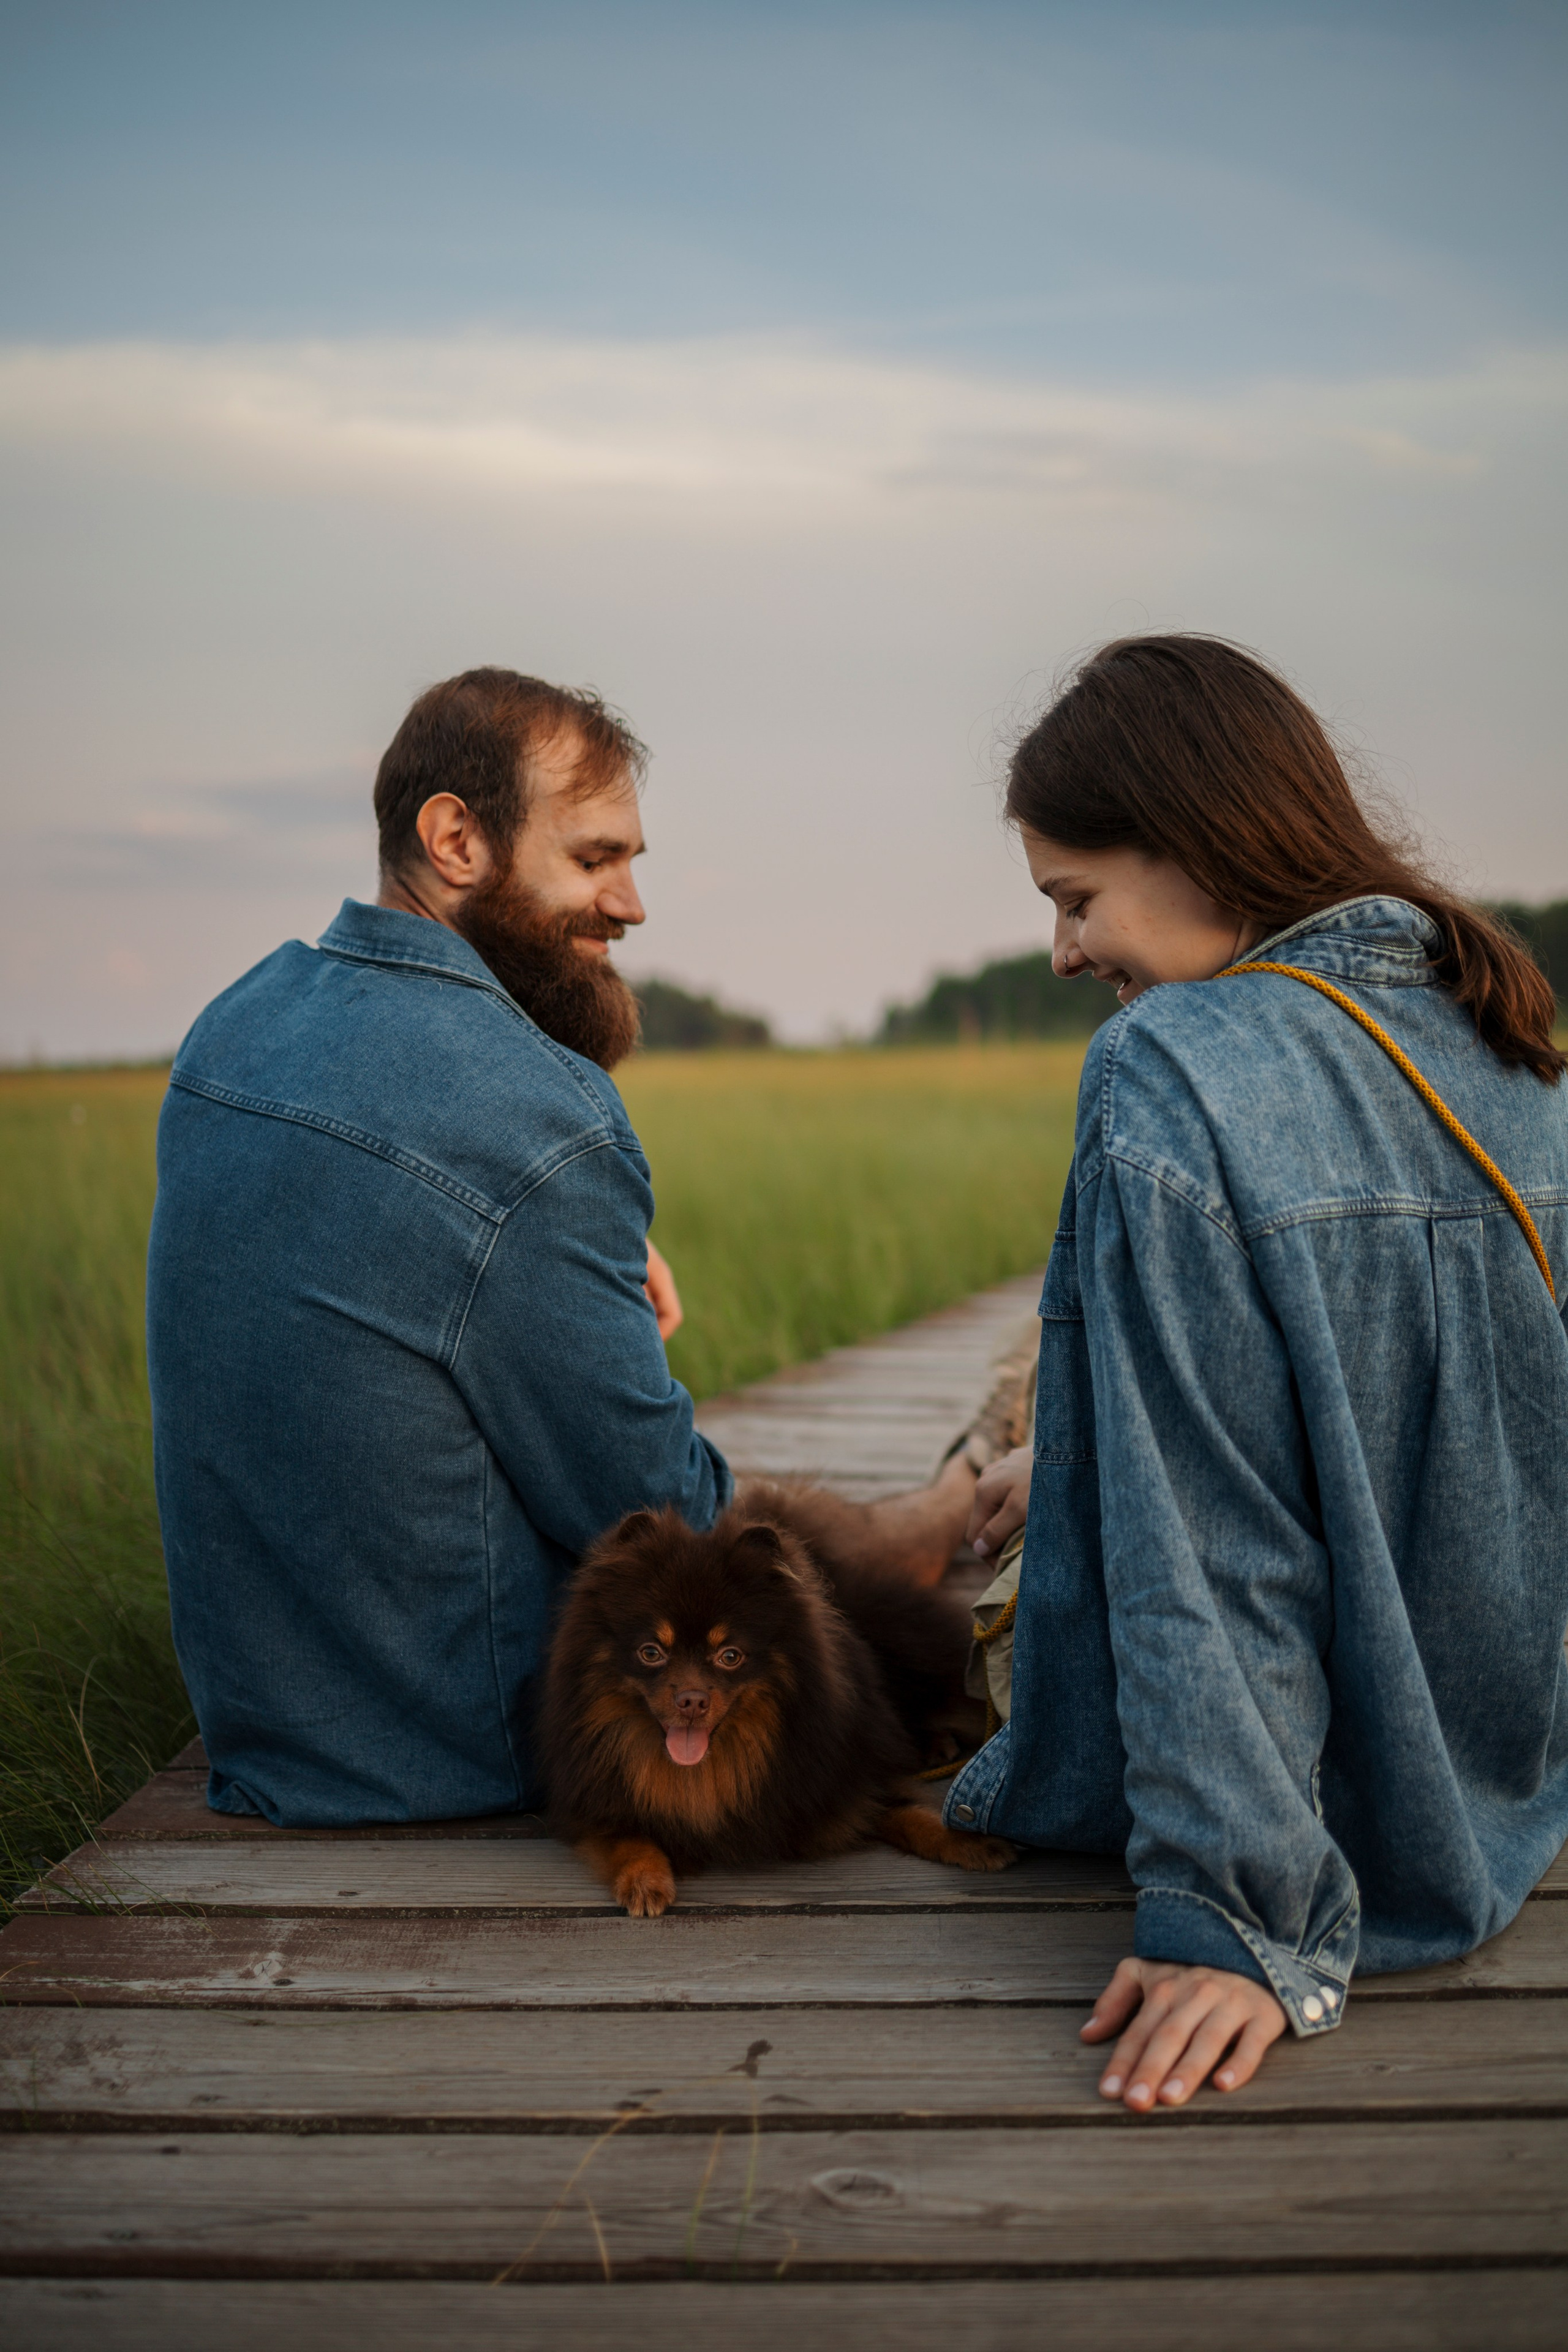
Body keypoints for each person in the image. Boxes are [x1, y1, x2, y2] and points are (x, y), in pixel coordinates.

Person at [147, 668, 979, 1826]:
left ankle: (932, 1516)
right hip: (462, 1745)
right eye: (595, 860)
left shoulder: (233, 1027)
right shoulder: (538, 1121)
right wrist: (553, 1209)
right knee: (754, 1555)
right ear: (456, 840)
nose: (631, 905)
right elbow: (662, 1517)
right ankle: (947, 1518)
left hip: (273, 1730)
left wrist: (557, 1258)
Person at [949, 635, 1568, 2114]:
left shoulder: (1173, 1061)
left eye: (1073, 899)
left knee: (933, 1571)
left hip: (1329, 1816)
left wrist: (1232, 1918)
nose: (1062, 951)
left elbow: (1214, 1544)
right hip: (1504, 1769)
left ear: (1194, 842)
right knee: (1032, 1470)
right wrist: (1087, 1460)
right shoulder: (1506, 1035)